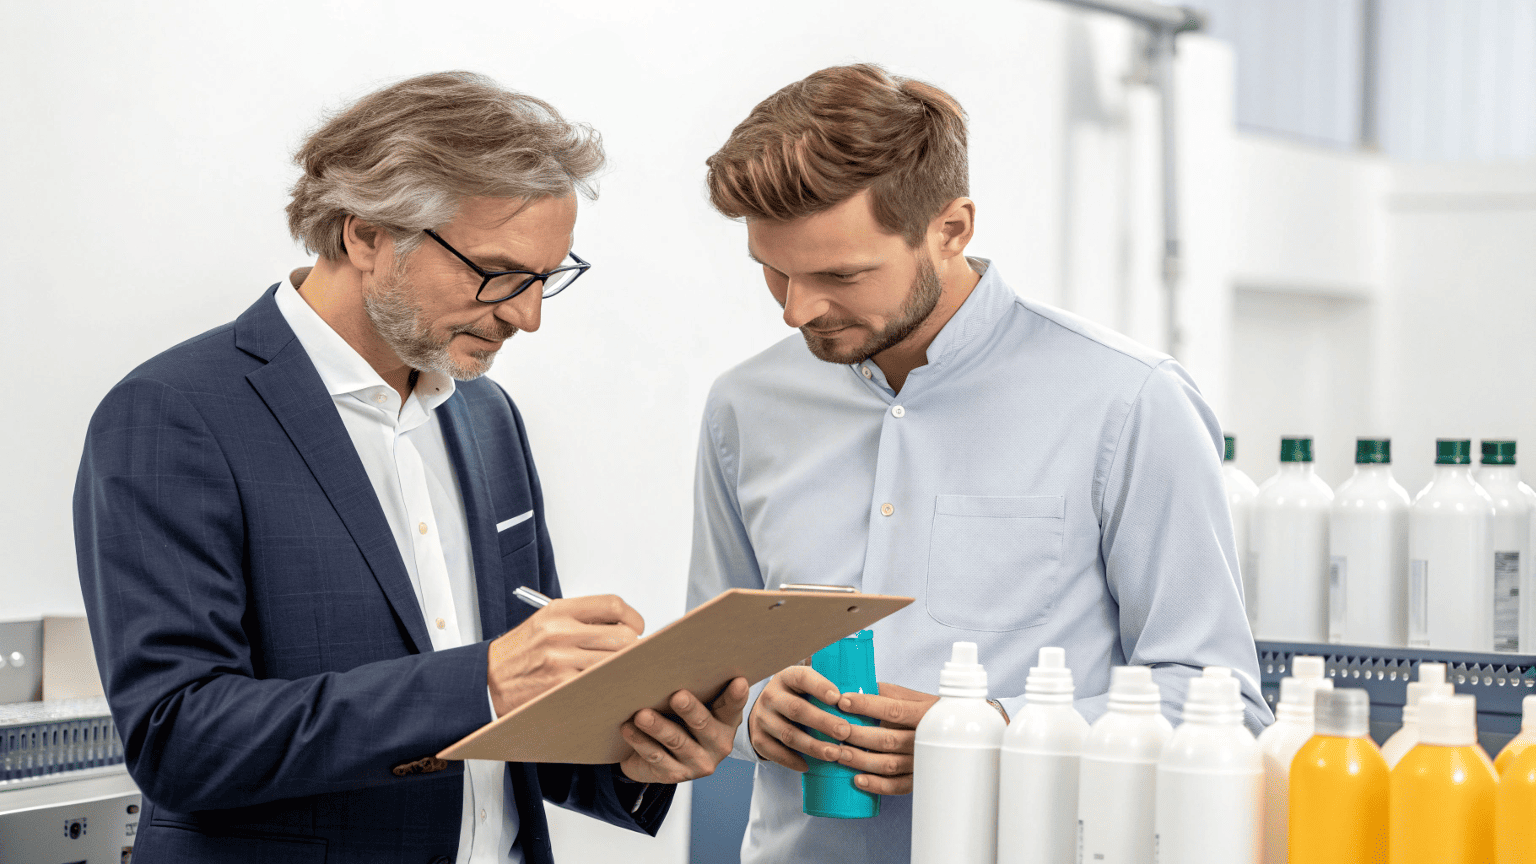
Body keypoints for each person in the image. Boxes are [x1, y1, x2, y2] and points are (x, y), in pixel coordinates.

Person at [74, 71, 746, 864]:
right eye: (497, 272)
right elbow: (179, 739)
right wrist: (482, 682)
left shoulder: (486, 416)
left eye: (545, 280)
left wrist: (635, 756)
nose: (527, 316)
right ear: (366, 237)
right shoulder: (175, 413)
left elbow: (518, 720)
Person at [686, 63, 1273, 862]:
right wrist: (755, 714)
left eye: (840, 275)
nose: (797, 310)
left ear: (951, 228)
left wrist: (984, 736)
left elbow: (1218, 699)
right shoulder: (744, 407)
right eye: (774, 270)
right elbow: (710, 672)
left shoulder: (1129, 401)